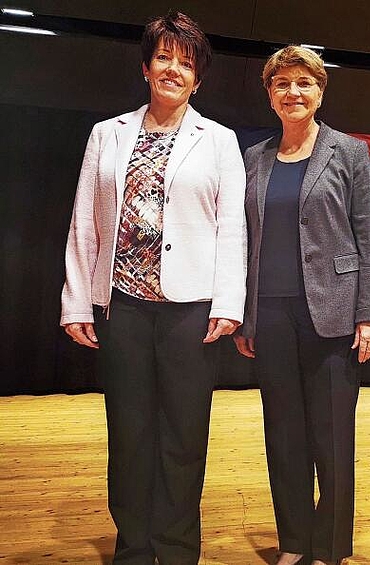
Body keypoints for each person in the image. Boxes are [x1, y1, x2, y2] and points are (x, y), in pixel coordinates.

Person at [60, 12, 246, 564]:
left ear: (198, 79)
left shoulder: (219, 141)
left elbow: (232, 226)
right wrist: (77, 301)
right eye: (164, 57)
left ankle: (178, 546)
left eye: (186, 63)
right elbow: (85, 222)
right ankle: (135, 547)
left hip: (191, 310)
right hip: (125, 308)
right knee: (131, 433)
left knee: (184, 436)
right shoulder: (108, 134)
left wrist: (228, 301)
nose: (174, 69)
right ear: (146, 67)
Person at [233, 46, 370, 565]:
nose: (292, 92)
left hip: (335, 314)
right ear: (269, 93)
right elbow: (243, 241)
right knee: (283, 435)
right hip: (271, 315)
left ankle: (330, 547)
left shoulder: (347, 152)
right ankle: (295, 542)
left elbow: (368, 235)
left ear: (320, 92)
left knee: (331, 437)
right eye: (282, 84)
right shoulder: (254, 158)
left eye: (303, 83)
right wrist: (246, 315)